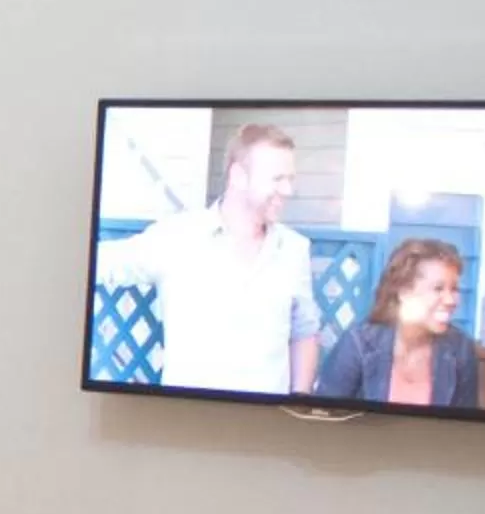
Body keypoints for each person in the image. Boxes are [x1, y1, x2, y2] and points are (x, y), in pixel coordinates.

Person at [94, 123, 320, 395]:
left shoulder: (294, 249)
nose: (288, 190)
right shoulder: (177, 238)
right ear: (238, 176)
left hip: (266, 427)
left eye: (290, 179)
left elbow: (305, 331)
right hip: (187, 421)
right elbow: (100, 263)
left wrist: (299, 397)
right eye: (277, 178)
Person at [313, 237, 480, 408]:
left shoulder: (460, 349)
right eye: (438, 289)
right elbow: (323, 420)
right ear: (404, 292)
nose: (451, 300)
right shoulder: (359, 345)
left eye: (454, 289)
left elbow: (465, 429)